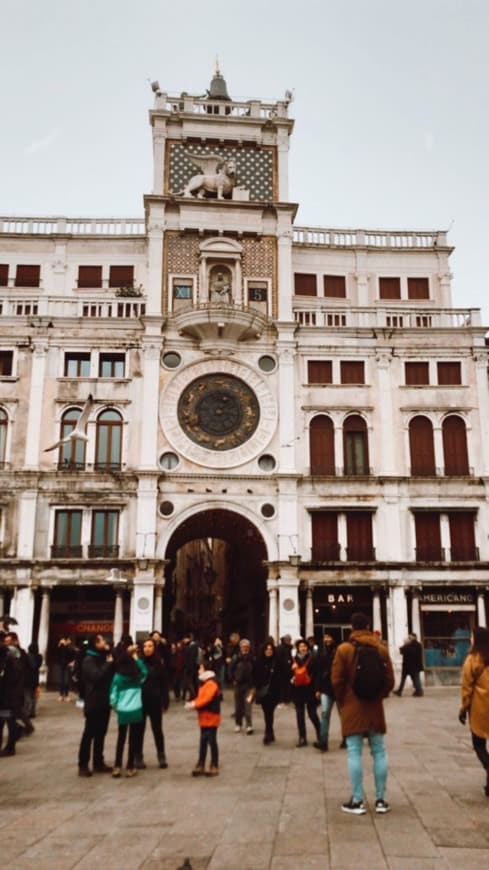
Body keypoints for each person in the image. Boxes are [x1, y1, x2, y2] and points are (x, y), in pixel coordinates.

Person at [331, 612, 395, 815]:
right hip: (375, 707)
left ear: (352, 627)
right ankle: (381, 800)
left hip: (352, 706)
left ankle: (357, 800)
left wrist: (344, 700)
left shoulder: (344, 649)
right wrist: (379, 695)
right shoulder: (381, 649)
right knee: (379, 751)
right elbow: (390, 680)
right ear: (368, 626)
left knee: (354, 752)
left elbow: (336, 680)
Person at [78, 634, 114, 777]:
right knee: (89, 734)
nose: (105, 642)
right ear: (95, 643)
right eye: (101, 640)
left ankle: (98, 761)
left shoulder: (102, 657)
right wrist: (108, 664)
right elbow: (96, 676)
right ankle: (83, 764)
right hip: (93, 701)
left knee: (101, 733)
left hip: (104, 701)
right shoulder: (89, 659)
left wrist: (108, 654)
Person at [459, 626, 489, 797]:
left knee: (479, 744)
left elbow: (467, 687)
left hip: (481, 706)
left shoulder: (473, 659)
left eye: (471, 636)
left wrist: (463, 708)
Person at [110, 643, 148, 778]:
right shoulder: (137, 677)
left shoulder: (118, 677)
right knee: (133, 738)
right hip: (136, 709)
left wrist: (117, 708)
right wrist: (136, 658)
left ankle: (117, 766)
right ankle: (130, 766)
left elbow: (113, 697)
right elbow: (145, 672)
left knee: (121, 738)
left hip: (123, 710)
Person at [185, 658, 221, 776]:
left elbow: (206, 699)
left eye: (200, 668)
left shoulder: (210, 684)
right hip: (205, 717)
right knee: (204, 741)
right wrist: (193, 703)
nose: (199, 671)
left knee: (211, 740)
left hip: (210, 716)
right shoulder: (206, 683)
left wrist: (194, 704)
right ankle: (202, 763)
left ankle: (213, 764)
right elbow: (202, 698)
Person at [138, 637, 169, 769]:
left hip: (155, 700)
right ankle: (138, 756)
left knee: (157, 730)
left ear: (154, 648)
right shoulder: (138, 663)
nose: (147, 648)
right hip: (140, 701)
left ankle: (161, 756)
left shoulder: (159, 663)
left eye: (150, 646)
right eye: (145, 646)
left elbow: (164, 683)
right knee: (139, 730)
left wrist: (165, 700)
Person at [291, 638, 321, 747]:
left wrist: (318, 689)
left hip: (310, 689)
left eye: (304, 646)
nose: (302, 648)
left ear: (307, 648)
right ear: (298, 648)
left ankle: (320, 734)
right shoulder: (293, 659)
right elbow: (289, 675)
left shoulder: (313, 659)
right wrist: (291, 669)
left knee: (312, 713)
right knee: (300, 714)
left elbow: (317, 675)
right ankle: (302, 737)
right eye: (300, 646)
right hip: (298, 690)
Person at [253, 640, 282, 744]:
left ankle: (268, 732)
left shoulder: (276, 661)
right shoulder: (259, 661)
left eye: (270, 649)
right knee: (267, 712)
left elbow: (281, 675)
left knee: (270, 712)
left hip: (274, 691)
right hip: (263, 691)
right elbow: (255, 675)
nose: (269, 651)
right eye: (267, 649)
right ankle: (269, 732)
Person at [0, 631, 23, 756]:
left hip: (7, 698)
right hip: (6, 697)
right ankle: (10, 746)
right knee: (5, 721)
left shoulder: (7, 657)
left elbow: (11, 678)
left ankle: (10, 748)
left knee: (8, 721)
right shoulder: (7, 655)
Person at [314, 633, 337, 752]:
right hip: (325, 687)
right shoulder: (320, 652)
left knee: (343, 715)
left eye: (329, 637)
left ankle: (346, 738)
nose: (327, 639)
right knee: (324, 713)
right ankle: (323, 741)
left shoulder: (338, 650)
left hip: (338, 687)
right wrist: (317, 688)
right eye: (325, 637)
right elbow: (317, 670)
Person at [231, 638, 254, 734]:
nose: (245, 648)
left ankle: (249, 725)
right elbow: (231, 668)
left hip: (249, 686)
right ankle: (238, 724)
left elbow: (256, 670)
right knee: (238, 706)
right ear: (240, 647)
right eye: (243, 646)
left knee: (248, 706)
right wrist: (233, 679)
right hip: (238, 685)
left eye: (246, 646)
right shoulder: (236, 657)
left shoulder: (252, 657)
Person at [26, 642, 43, 719]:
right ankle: (33, 711)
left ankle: (28, 712)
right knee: (34, 696)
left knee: (28, 695)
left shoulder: (27, 656)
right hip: (35, 678)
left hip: (27, 678)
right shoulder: (39, 657)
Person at [57, 636, 76, 702]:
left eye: (69, 640)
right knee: (61, 681)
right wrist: (60, 643)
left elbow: (75, 657)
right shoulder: (61, 647)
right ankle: (61, 695)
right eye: (67, 640)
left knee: (67, 681)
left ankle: (67, 695)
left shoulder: (71, 648)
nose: (68, 641)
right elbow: (57, 653)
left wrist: (73, 662)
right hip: (62, 665)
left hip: (68, 666)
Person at [276, 634, 293, 704]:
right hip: (282, 671)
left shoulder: (289, 648)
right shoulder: (281, 648)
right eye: (288, 640)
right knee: (282, 686)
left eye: (290, 640)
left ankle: (286, 698)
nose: (289, 641)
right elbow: (279, 659)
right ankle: (282, 699)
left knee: (287, 685)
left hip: (288, 670)